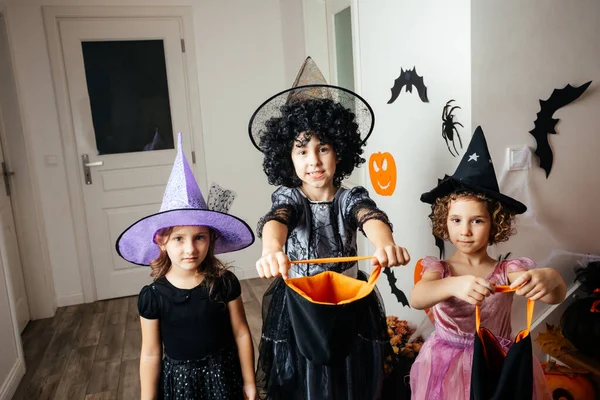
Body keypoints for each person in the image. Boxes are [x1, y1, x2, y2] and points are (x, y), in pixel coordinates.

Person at [248, 56, 410, 399]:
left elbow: (370, 217)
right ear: (287, 158)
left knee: (349, 370)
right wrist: (271, 249)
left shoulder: (350, 198)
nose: (314, 161)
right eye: (302, 151)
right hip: (299, 302)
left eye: (323, 148)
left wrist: (386, 243)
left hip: (345, 299)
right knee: (301, 372)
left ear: (340, 151)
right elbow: (277, 219)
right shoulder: (289, 197)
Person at [409, 126, 565, 400]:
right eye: (456, 220)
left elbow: (551, 294)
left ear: (495, 223)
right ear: (444, 220)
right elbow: (418, 297)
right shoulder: (440, 270)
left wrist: (550, 277)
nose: (465, 230)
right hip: (446, 367)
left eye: (477, 221)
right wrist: (454, 285)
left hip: (497, 364)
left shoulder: (508, 270)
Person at [116, 133, 257, 400]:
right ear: (161, 241)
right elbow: (150, 352)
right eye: (179, 238)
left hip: (224, 377)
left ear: (211, 239)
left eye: (199, 237)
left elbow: (240, 333)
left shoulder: (225, 283)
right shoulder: (153, 296)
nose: (190, 249)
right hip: (180, 384)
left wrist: (249, 383)